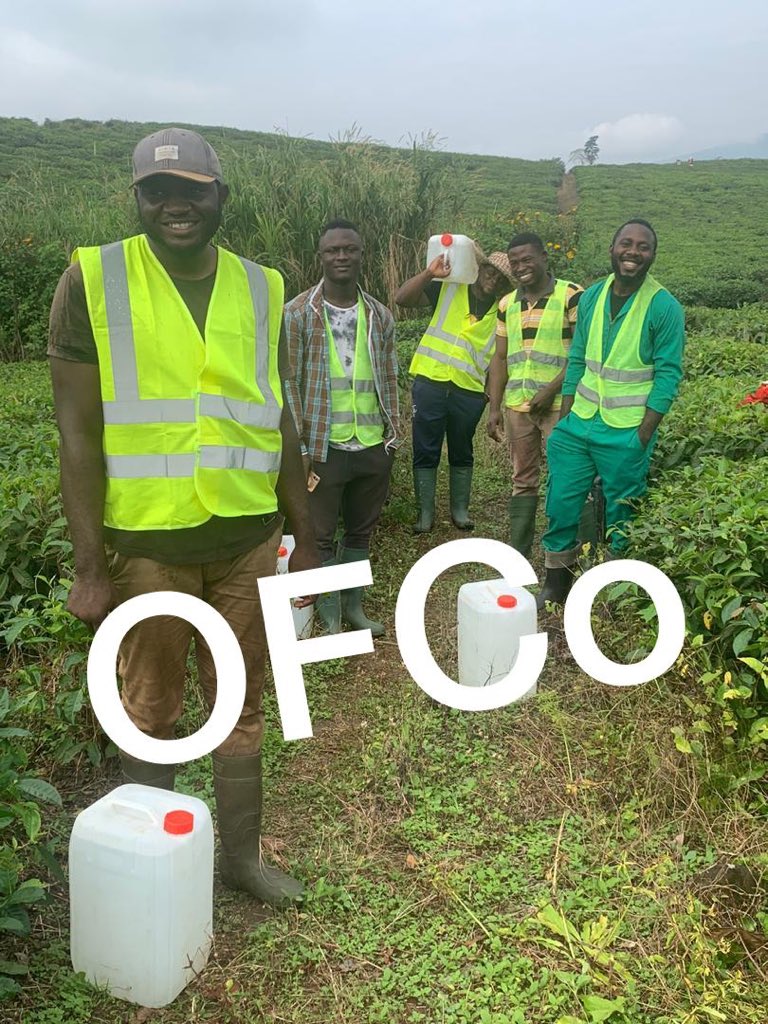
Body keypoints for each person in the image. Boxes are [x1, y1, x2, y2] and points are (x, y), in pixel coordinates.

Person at [48, 127, 319, 907]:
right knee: (151, 707)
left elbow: (279, 416)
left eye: (194, 191)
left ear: (220, 198)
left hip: (246, 539)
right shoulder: (91, 278)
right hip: (146, 548)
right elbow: (78, 434)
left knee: (240, 701)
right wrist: (90, 565)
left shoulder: (263, 285)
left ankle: (241, 861)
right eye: (158, 191)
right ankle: (149, 870)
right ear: (136, 197)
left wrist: (304, 536)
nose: (176, 205)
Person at [537, 219, 685, 608]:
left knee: (623, 514)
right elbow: (578, 360)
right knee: (561, 502)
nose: (633, 252)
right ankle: (556, 584)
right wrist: (566, 418)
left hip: (626, 431)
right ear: (612, 248)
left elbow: (669, 374)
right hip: (579, 425)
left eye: (643, 247)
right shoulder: (592, 297)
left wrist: (643, 434)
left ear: (652, 255)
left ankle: (614, 589)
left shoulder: (664, 306)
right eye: (626, 243)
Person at [283, 219, 399, 637]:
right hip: (322, 448)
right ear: (321, 257)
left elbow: (389, 378)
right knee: (320, 535)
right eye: (333, 250)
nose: (341, 257)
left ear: (361, 254)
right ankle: (329, 614)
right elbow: (288, 384)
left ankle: (353, 608)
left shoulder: (380, 316)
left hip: (371, 445)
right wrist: (300, 447)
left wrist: (392, 438)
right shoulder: (297, 314)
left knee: (361, 531)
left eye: (349, 249)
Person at [395, 247, 513, 532]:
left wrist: (493, 404)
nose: (493, 280)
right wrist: (428, 274)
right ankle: (425, 513)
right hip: (430, 382)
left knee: (462, 450)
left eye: (501, 279)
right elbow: (401, 299)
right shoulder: (448, 289)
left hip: (469, 392)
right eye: (490, 272)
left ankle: (459, 510)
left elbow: (499, 361)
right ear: (479, 268)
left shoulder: (503, 313)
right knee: (426, 447)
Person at [486, 232, 583, 558]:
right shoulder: (506, 304)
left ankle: (566, 551)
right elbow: (499, 358)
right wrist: (494, 407)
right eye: (515, 263)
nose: (521, 267)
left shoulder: (571, 296)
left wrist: (551, 390)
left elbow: (582, 354)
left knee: (565, 476)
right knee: (522, 480)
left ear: (544, 256)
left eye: (527, 259)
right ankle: (520, 554)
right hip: (519, 405)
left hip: (560, 406)